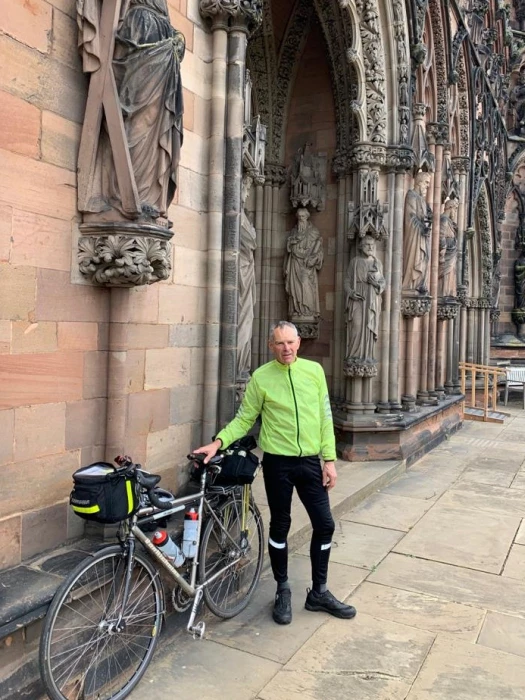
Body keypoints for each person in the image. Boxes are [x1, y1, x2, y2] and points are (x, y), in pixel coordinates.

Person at [194, 321, 356, 625]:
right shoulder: (262, 377)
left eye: (291, 343)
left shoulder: (314, 372)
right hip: (278, 464)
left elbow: (324, 417)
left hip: (310, 462)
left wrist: (330, 460)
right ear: (272, 346)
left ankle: (319, 592)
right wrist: (218, 443)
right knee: (280, 525)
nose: (287, 349)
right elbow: (245, 419)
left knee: (325, 524)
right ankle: (283, 589)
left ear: (299, 343)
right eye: (280, 344)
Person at [344, 235, 385, 363]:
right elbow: (347, 280)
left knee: (369, 327)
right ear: (361, 247)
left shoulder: (377, 263)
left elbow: (383, 282)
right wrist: (351, 292)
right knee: (356, 325)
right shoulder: (354, 261)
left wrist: (376, 284)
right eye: (367, 245)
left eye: (372, 245)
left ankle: (367, 356)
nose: (370, 247)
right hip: (357, 298)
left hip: (372, 298)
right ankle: (354, 356)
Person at [283, 208, 324, 319]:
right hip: (294, 263)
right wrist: (291, 242)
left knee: (305, 285)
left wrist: (313, 259)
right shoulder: (293, 232)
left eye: (303, 216)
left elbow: (319, 252)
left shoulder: (313, 232)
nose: (301, 219)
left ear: (307, 217)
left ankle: (307, 310)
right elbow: (288, 249)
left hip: (307, 267)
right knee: (294, 289)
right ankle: (297, 310)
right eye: (299, 217)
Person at [402, 171, 432, 294]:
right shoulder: (411, 195)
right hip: (415, 236)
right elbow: (410, 217)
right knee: (415, 259)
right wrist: (422, 227)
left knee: (425, 258)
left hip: (423, 236)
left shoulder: (423, 201)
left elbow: (426, 217)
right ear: (419, 182)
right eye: (426, 183)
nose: (427, 186)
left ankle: (420, 284)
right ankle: (410, 284)